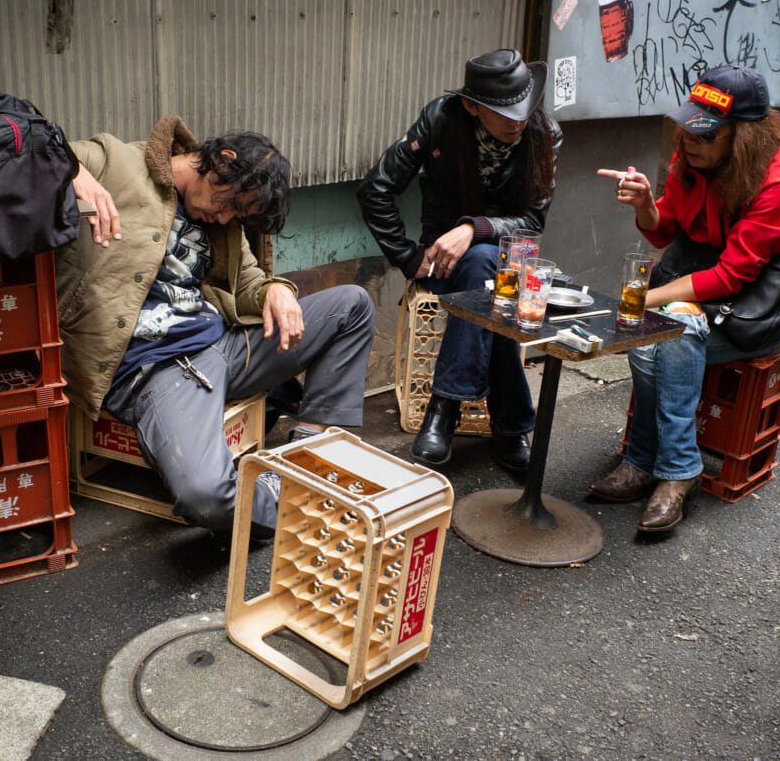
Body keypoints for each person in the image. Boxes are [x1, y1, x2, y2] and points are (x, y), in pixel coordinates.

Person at [58, 117, 375, 536]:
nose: (225, 218)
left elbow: (247, 283)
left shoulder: (222, 223)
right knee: (205, 496)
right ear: (221, 162)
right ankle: (293, 504)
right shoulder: (115, 163)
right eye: (228, 204)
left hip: (223, 347)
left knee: (352, 305)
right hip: (162, 370)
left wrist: (275, 291)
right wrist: (73, 172)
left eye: (237, 214)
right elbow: (34, 145)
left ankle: (304, 452)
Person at [591, 65, 780, 532]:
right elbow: (667, 231)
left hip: (755, 306)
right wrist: (646, 206)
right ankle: (663, 465)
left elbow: (732, 275)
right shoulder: (690, 159)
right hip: (696, 279)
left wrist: (644, 298)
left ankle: (665, 468)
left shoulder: (778, 179)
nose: (689, 141)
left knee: (670, 331)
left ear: (744, 137)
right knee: (654, 328)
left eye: (705, 134)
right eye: (687, 127)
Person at [357, 49, 563, 470]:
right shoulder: (441, 119)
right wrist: (408, 257)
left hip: (509, 262)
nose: (517, 121)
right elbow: (375, 189)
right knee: (486, 279)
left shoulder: (545, 134)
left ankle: (444, 408)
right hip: (443, 266)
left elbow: (533, 221)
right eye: (503, 112)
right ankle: (512, 425)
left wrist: (473, 228)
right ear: (471, 106)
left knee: (485, 260)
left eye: (523, 109)